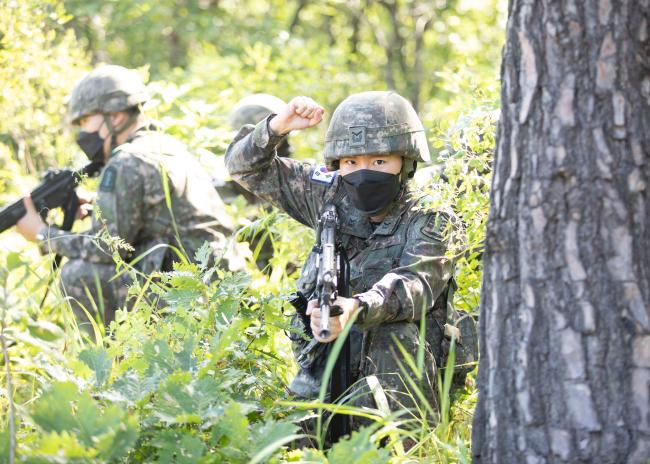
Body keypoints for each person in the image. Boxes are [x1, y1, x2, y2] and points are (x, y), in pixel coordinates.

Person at [225, 91, 457, 429]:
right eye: (351, 162)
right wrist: (278, 126)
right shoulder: (328, 193)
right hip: (325, 366)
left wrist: (358, 308)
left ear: (405, 162)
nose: (363, 174)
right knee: (280, 442)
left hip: (398, 383)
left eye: (379, 162)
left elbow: (415, 284)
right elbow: (243, 167)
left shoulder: (432, 217)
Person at [16, 65, 237, 333]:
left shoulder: (128, 161)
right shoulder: (165, 146)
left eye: (85, 120)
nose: (82, 131)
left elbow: (108, 248)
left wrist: (42, 234)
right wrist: (98, 208)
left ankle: (113, 366)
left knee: (77, 275)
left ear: (116, 116)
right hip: (219, 284)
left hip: (191, 293)